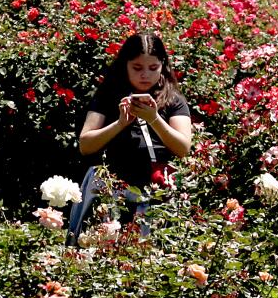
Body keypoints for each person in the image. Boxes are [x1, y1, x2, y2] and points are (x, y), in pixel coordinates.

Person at [67, 32, 192, 244]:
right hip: (110, 190)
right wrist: (120, 123)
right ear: (125, 65)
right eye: (137, 68)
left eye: (153, 68)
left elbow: (182, 148)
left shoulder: (173, 100)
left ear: (163, 65)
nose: (145, 75)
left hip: (155, 191)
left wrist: (153, 119)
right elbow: (86, 144)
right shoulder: (108, 96)